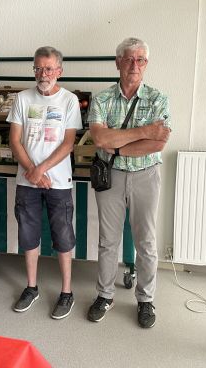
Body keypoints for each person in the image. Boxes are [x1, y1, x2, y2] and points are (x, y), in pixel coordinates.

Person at [86, 37, 171, 328]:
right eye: (129, 59)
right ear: (118, 62)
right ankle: (104, 295)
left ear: (146, 64)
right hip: (111, 176)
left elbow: (157, 145)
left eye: (141, 60)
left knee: (146, 242)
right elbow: (99, 138)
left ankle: (145, 300)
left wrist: (119, 145)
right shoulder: (101, 98)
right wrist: (145, 131)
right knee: (107, 241)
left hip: (146, 175)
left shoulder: (158, 99)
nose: (134, 65)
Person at [7, 46, 82, 319]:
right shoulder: (22, 98)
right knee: (28, 235)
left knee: (63, 236)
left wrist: (42, 170)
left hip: (59, 182)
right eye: (38, 68)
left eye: (49, 68)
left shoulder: (69, 100)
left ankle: (66, 292)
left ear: (59, 71)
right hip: (27, 182)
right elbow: (14, 140)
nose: (43, 74)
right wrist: (32, 171)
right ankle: (31, 287)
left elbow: (69, 143)